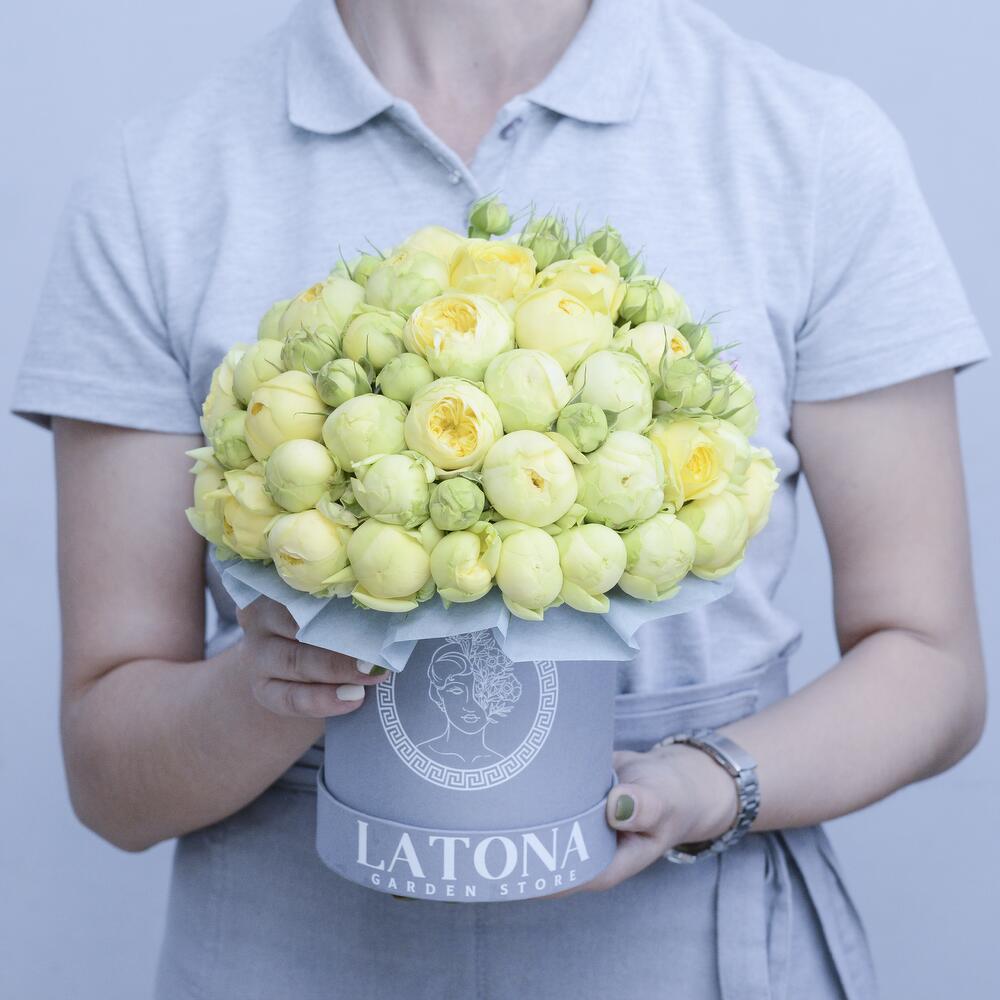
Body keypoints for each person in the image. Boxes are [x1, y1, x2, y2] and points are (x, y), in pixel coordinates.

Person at [11, 0, 989, 997]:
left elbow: (932, 663)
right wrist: (273, 686)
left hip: (693, 955)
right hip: (290, 960)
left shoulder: (804, 143)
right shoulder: (161, 180)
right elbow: (110, 775)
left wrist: (707, 782)